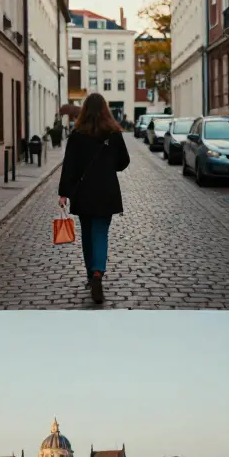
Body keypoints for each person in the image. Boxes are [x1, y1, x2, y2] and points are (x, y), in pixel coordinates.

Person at [57, 92, 130, 305]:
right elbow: (123, 162)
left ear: (85, 110)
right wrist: (109, 165)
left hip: (84, 192)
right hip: (106, 192)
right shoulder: (113, 133)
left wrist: (64, 193)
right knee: (100, 233)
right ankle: (98, 274)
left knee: (87, 235)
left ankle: (91, 275)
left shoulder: (77, 134)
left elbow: (69, 165)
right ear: (106, 110)